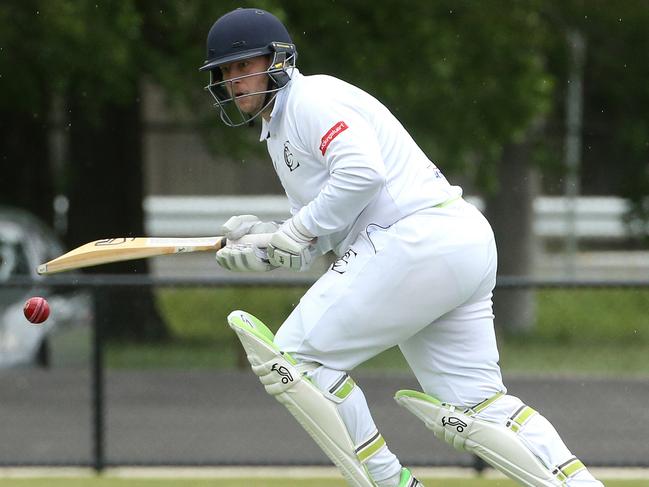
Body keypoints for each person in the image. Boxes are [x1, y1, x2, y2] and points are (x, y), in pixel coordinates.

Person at [199, 8, 603, 487]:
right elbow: (326, 226)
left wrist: (298, 231)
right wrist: (266, 242)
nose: (235, 80)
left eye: (244, 66)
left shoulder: (312, 99)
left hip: (415, 238)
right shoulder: (279, 131)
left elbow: (362, 174)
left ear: (279, 59)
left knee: (295, 363)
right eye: (225, 72)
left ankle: (391, 482)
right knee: (480, 406)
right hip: (452, 243)